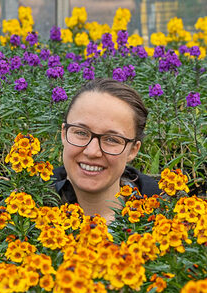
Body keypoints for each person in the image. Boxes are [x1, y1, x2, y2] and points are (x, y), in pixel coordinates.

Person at [52, 78, 160, 223]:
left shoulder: (165, 215)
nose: (92, 152)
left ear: (133, 150)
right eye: (81, 133)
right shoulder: (26, 209)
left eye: (112, 139)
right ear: (64, 134)